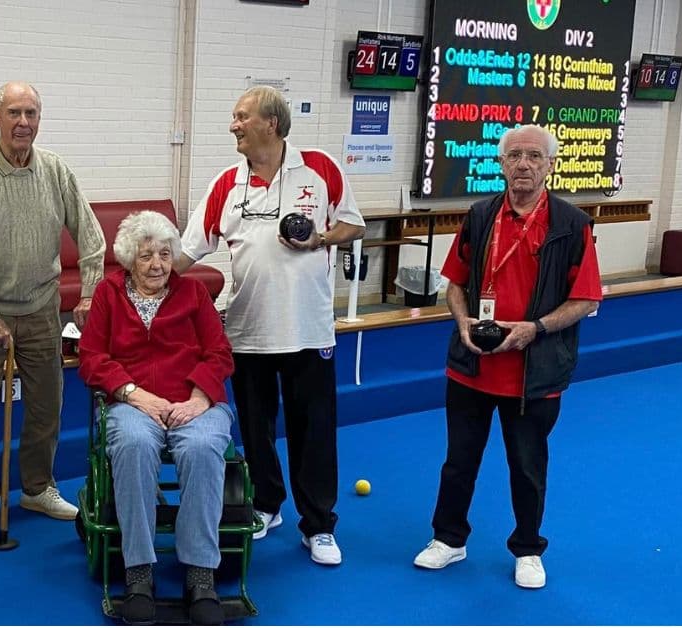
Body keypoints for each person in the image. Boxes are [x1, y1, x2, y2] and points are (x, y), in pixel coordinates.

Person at [175, 85, 366, 564]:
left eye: (241, 117)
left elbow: (353, 225)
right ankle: (266, 504)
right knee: (256, 429)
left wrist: (320, 237)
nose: (233, 125)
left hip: (308, 330)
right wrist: (135, 277)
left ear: (272, 124)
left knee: (313, 430)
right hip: (246, 330)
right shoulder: (226, 183)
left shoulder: (320, 169)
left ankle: (318, 525)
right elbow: (186, 251)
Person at [413, 124, 602, 589]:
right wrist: (461, 323)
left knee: (528, 465)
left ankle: (527, 547)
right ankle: (448, 538)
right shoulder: (479, 216)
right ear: (500, 163)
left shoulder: (573, 225)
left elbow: (587, 301)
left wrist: (533, 329)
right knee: (459, 460)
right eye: (514, 155)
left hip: (534, 374)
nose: (523, 164)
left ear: (550, 166)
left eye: (534, 157)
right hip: (472, 366)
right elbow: (455, 283)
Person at [0, 81, 106, 534]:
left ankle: (37, 488)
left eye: (31, 114)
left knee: (46, 406)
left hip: (41, 310)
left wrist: (91, 292)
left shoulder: (56, 171)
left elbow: (92, 239)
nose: (23, 123)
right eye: (14, 113)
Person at [79, 211, 235, 626]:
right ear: (130, 258)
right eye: (146, 255)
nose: (157, 265)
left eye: (165, 254)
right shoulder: (109, 294)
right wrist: (132, 393)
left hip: (193, 400)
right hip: (133, 402)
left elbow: (219, 352)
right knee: (133, 444)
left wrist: (201, 396)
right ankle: (139, 572)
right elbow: (92, 358)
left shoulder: (193, 294)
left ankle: (200, 573)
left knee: (203, 447)